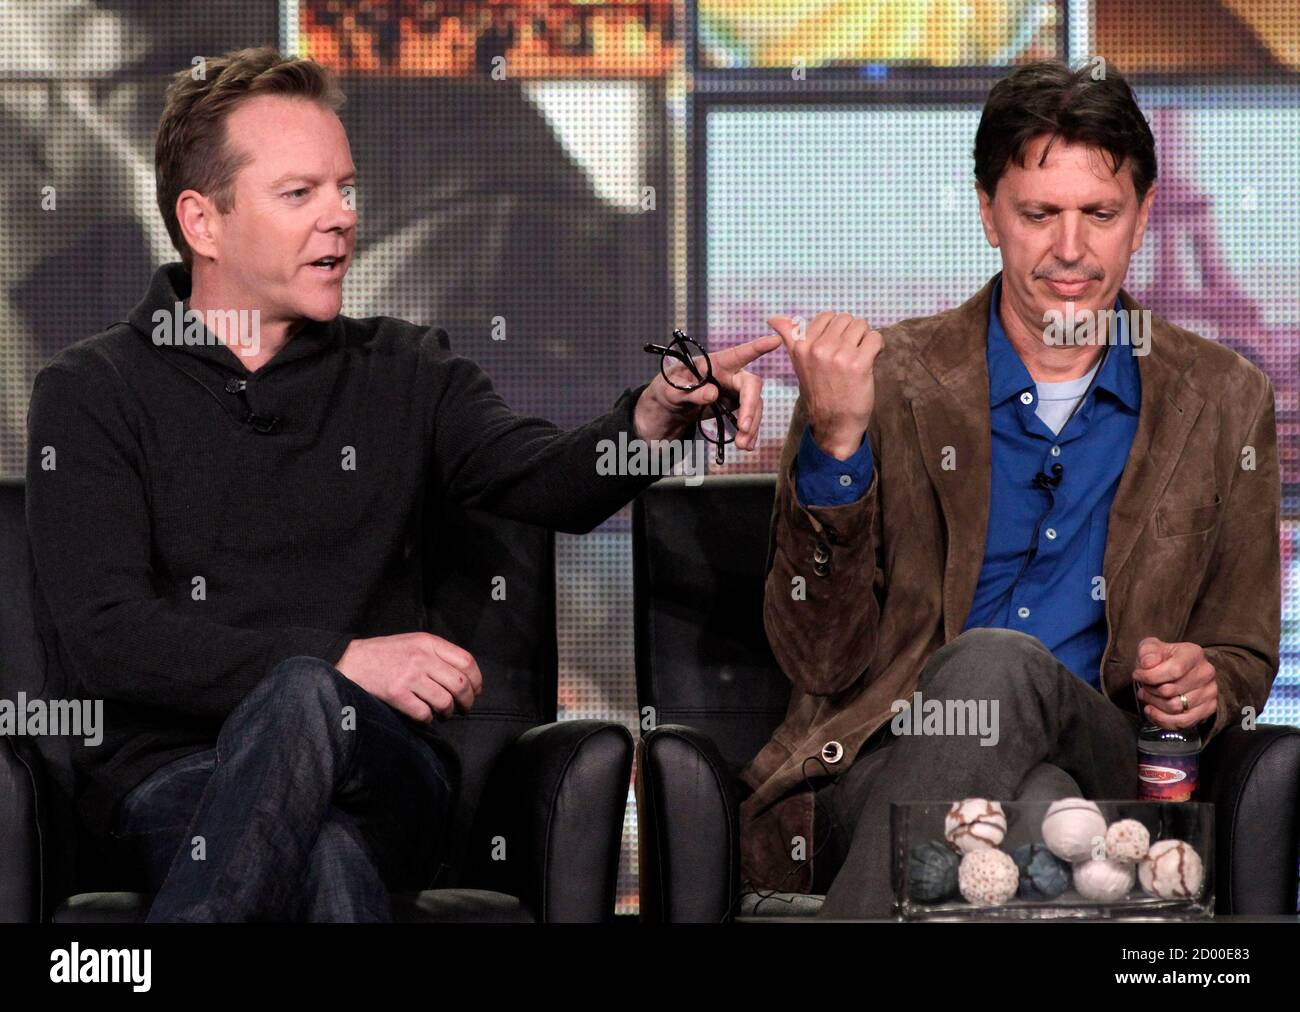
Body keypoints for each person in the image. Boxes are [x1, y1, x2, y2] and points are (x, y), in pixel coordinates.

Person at [24, 46, 778, 922]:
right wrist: (342, 660)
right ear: (204, 221)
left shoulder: (403, 369)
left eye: (346, 189)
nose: (341, 219)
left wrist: (649, 420)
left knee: (315, 716)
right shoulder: (94, 391)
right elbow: (105, 639)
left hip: (380, 769)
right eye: (300, 194)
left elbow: (549, 482)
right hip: (172, 780)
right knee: (329, 859)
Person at [744, 59, 1280, 918]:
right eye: (1039, 214)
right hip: (898, 765)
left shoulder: (1223, 399)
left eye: (1100, 214)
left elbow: (1248, 653)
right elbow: (818, 661)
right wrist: (837, 448)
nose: (1070, 249)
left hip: (1111, 751)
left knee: (1006, 671)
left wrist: (1207, 676)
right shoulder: (884, 382)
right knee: (1040, 809)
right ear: (990, 212)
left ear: (1143, 217)